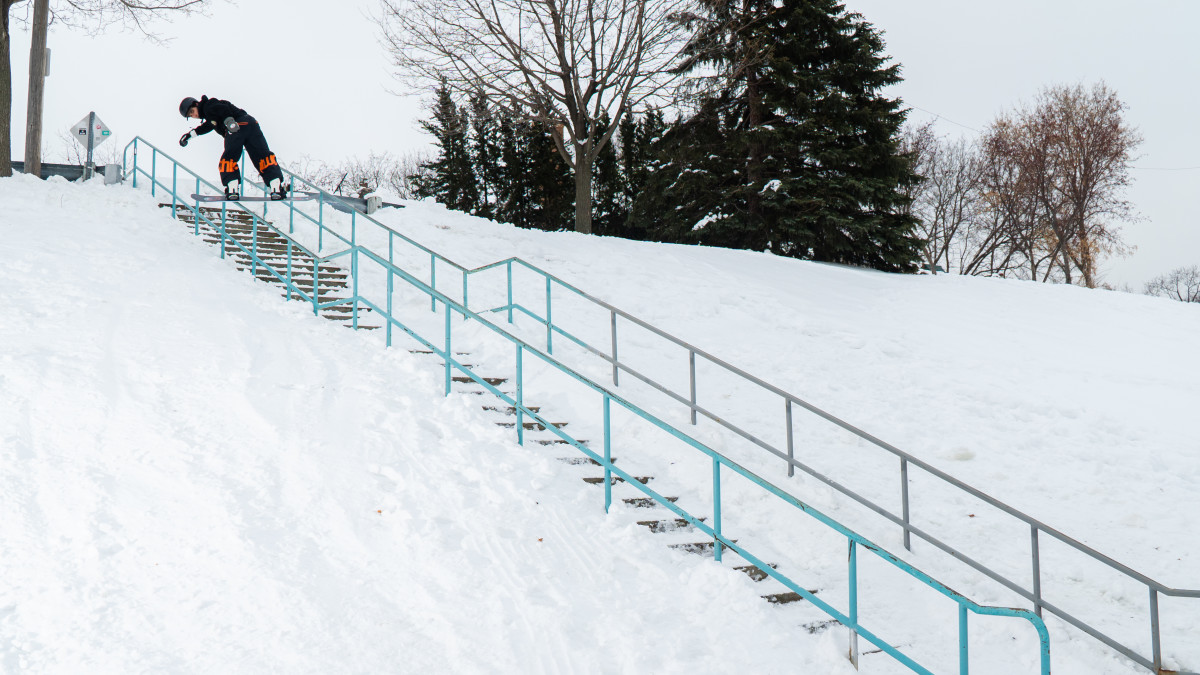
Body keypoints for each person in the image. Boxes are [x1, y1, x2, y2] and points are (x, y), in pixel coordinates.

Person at [178, 96, 288, 200]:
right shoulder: (211, 115)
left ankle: (232, 190)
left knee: (229, 158)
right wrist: (190, 135)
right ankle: (276, 188)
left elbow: (223, 109)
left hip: (235, 125)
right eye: (191, 115)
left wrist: (229, 122)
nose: (194, 115)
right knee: (262, 156)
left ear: (196, 104)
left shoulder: (209, 105)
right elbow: (208, 125)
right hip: (251, 124)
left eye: (192, 111)